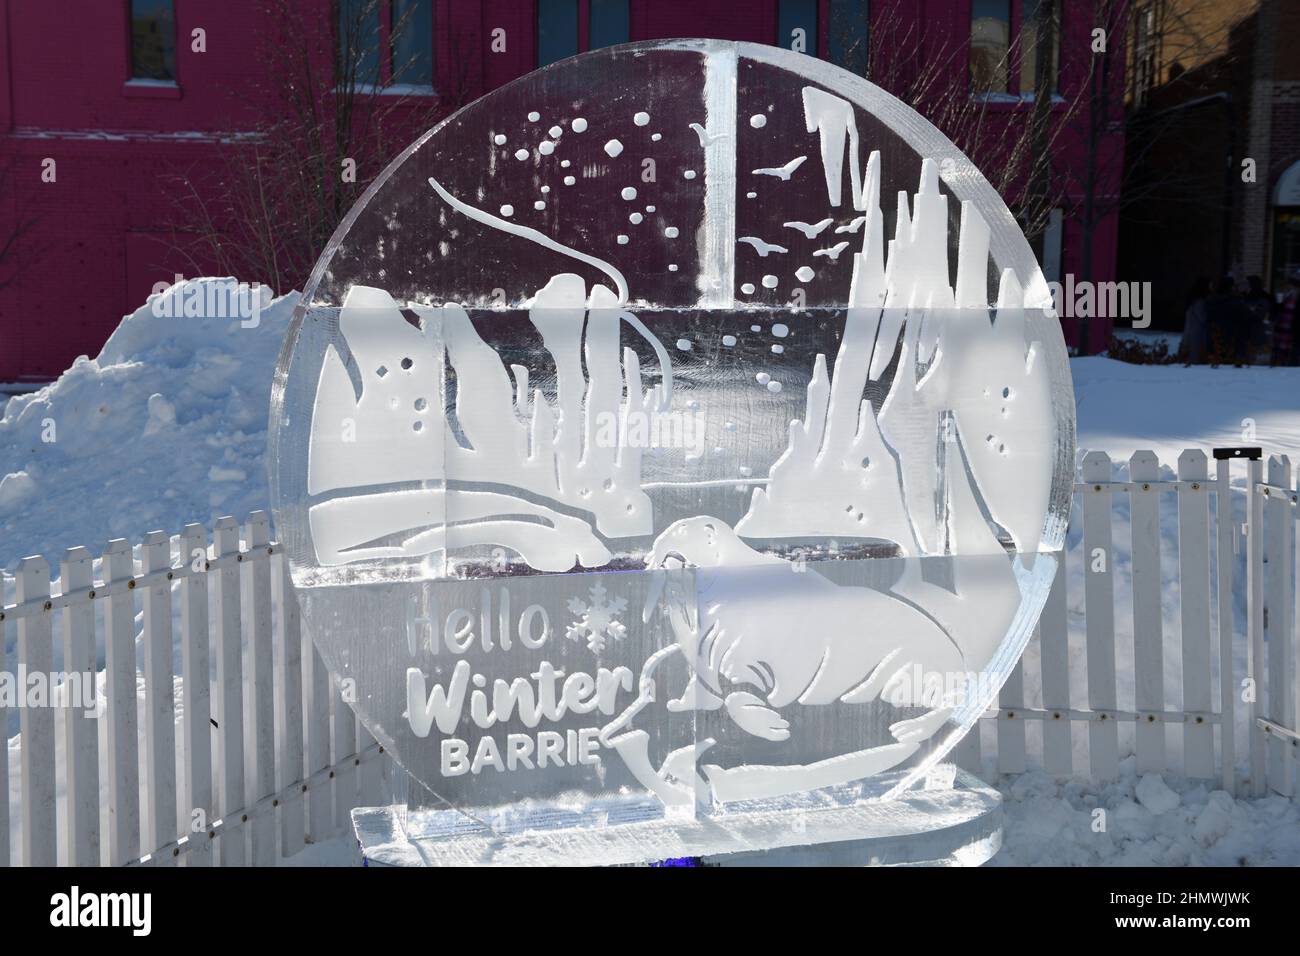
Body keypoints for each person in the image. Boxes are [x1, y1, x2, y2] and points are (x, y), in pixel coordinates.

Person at [1180, 276, 1212, 363]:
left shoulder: (1192, 301)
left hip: (1190, 333)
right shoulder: (1199, 302)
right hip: (1197, 335)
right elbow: (1203, 317)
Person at [1243, 275, 1273, 364]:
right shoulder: (1246, 296)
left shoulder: (1262, 297)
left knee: (1255, 359)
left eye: (1246, 284)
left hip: (1256, 331)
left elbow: (1259, 314)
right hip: (1248, 332)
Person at [1275, 271, 1299, 367]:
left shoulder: (1295, 297)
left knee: (1292, 351)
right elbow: (1280, 310)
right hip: (1285, 327)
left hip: (1293, 328)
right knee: (1284, 350)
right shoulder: (1288, 296)